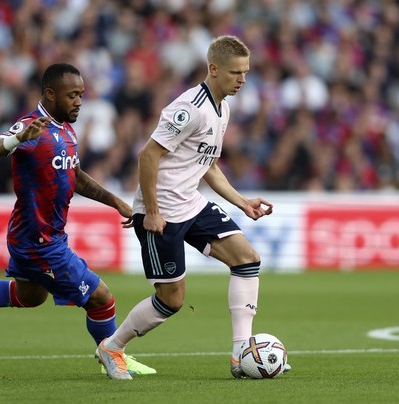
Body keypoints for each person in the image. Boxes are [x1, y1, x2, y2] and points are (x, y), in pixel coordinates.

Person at [0, 63, 155, 376]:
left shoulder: (65, 128)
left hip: (37, 236)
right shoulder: (30, 128)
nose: (79, 101)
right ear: (50, 94)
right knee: (102, 298)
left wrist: (117, 202)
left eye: (81, 94)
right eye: (72, 95)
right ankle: (112, 354)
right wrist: (16, 139)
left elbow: (75, 176)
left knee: (29, 296)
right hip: (40, 242)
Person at [95, 35, 289, 379]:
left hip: (192, 203)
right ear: (213, 69)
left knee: (247, 259)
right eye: (235, 73)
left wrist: (243, 203)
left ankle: (240, 354)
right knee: (172, 300)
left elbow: (209, 165)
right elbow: (148, 155)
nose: (243, 79)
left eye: (245, 72)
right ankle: (112, 347)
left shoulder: (223, 106)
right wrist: (151, 210)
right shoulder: (190, 108)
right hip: (164, 212)